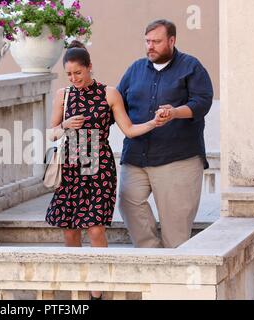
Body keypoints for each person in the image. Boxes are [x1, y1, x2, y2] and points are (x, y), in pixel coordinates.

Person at [45, 41, 163, 300]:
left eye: (78, 72)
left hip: (99, 167)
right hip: (70, 167)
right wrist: (64, 125)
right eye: (69, 74)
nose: (74, 78)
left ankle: (98, 290)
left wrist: (154, 123)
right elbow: (50, 134)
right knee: (69, 229)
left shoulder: (109, 94)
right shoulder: (62, 96)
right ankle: (80, 283)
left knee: (95, 229)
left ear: (89, 67)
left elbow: (129, 130)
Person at [117, 19, 214, 249]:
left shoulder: (191, 67)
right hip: (136, 157)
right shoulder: (135, 69)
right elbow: (117, 103)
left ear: (172, 40)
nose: (150, 46)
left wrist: (174, 112)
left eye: (157, 42)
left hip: (178, 159)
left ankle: (172, 273)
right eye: (147, 41)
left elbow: (202, 102)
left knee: (176, 233)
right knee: (128, 203)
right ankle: (152, 257)